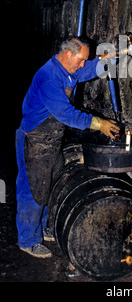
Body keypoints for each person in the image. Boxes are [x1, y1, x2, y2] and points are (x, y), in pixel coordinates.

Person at [15, 37, 120, 258]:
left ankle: (41, 228)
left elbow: (88, 69)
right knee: (33, 189)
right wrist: (98, 123)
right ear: (68, 54)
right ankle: (27, 239)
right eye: (80, 59)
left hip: (51, 141)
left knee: (49, 184)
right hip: (33, 140)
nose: (82, 64)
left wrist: (108, 59)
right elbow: (66, 114)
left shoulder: (69, 70)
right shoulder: (49, 77)